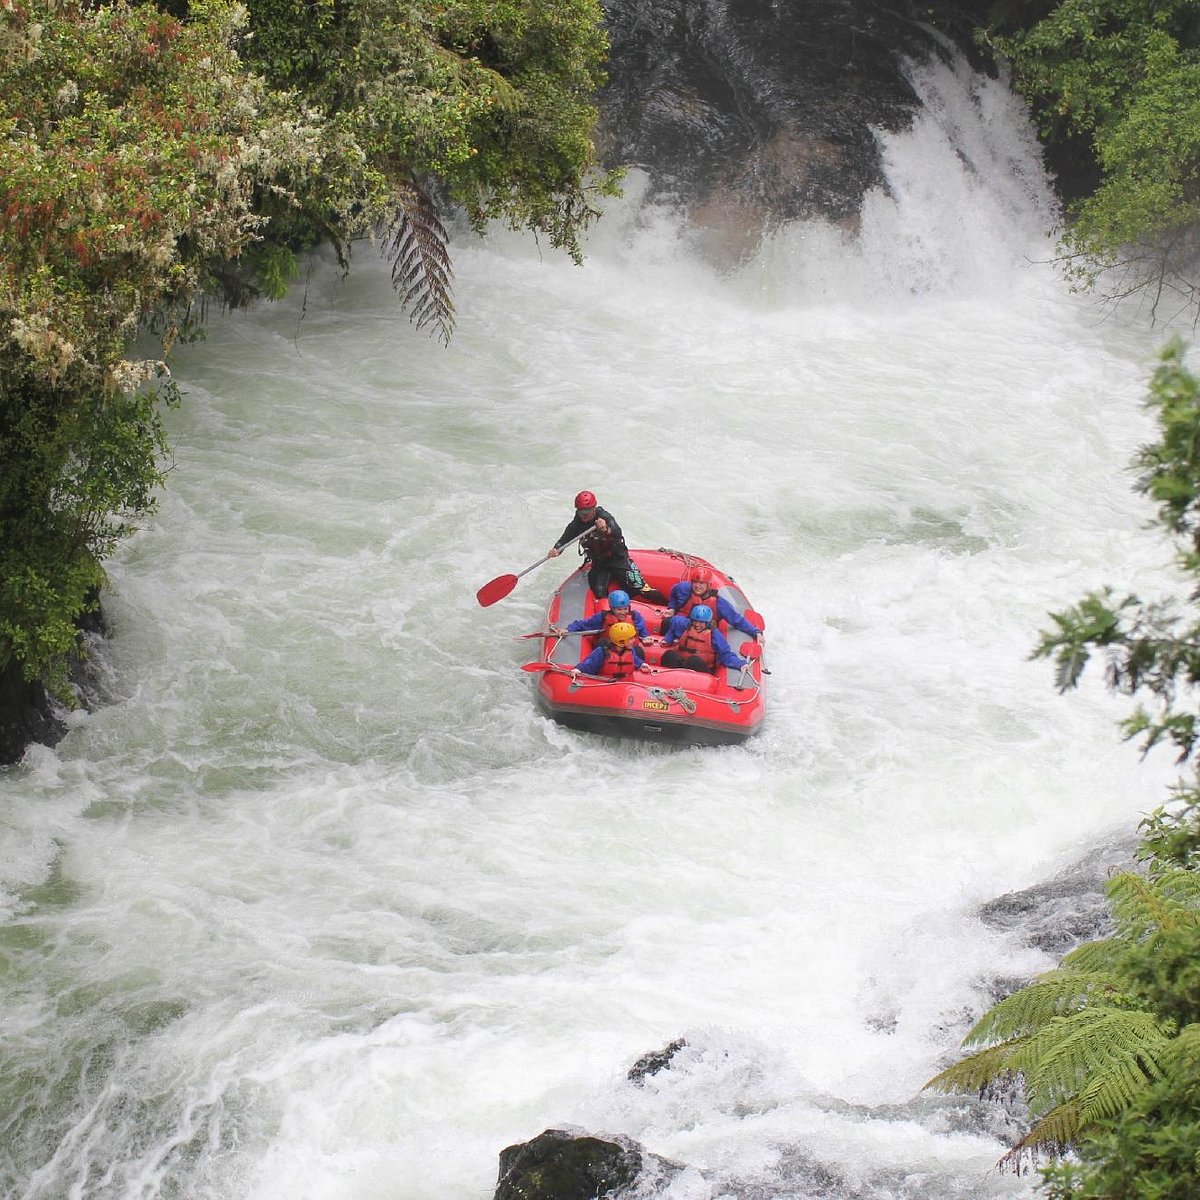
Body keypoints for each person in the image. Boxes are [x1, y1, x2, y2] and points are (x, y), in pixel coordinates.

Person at [548, 490, 651, 600]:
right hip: (599, 563)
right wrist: (556, 549)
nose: (584, 516)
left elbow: (617, 532)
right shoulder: (577, 523)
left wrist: (605, 529)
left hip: (617, 558)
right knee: (599, 592)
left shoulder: (604, 516)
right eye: (581, 512)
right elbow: (565, 539)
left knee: (641, 588)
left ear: (593, 509)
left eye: (586, 512)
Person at [662, 565, 762, 638]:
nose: (697, 586)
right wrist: (672, 608)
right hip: (681, 626)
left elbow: (737, 619)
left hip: (701, 633)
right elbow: (674, 592)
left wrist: (755, 632)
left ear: (709, 585)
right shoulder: (683, 588)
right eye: (695, 582)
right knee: (667, 622)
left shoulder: (719, 603)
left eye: (701, 583)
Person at [661, 605, 751, 673]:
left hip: (700, 669)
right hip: (681, 664)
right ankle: (671, 680)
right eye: (695, 621)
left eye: (701, 622)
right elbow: (674, 622)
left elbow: (725, 654)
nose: (697, 625)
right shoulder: (686, 625)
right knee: (669, 655)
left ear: (707, 623)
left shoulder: (714, 635)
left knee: (694, 661)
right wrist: (668, 638)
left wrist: (740, 664)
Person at [559, 590, 650, 641]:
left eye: (625, 609)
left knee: (638, 651)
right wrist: (568, 629)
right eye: (619, 609)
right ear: (612, 608)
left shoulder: (634, 616)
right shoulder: (603, 617)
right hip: (609, 648)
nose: (623, 612)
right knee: (602, 644)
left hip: (628, 647)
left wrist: (645, 636)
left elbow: (641, 628)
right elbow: (583, 624)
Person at [573, 621, 647, 678]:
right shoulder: (602, 652)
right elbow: (588, 664)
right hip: (606, 685)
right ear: (621, 641)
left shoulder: (629, 650)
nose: (634, 640)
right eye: (630, 638)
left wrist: (641, 664)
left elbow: (635, 659)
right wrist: (578, 669)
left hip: (624, 685)